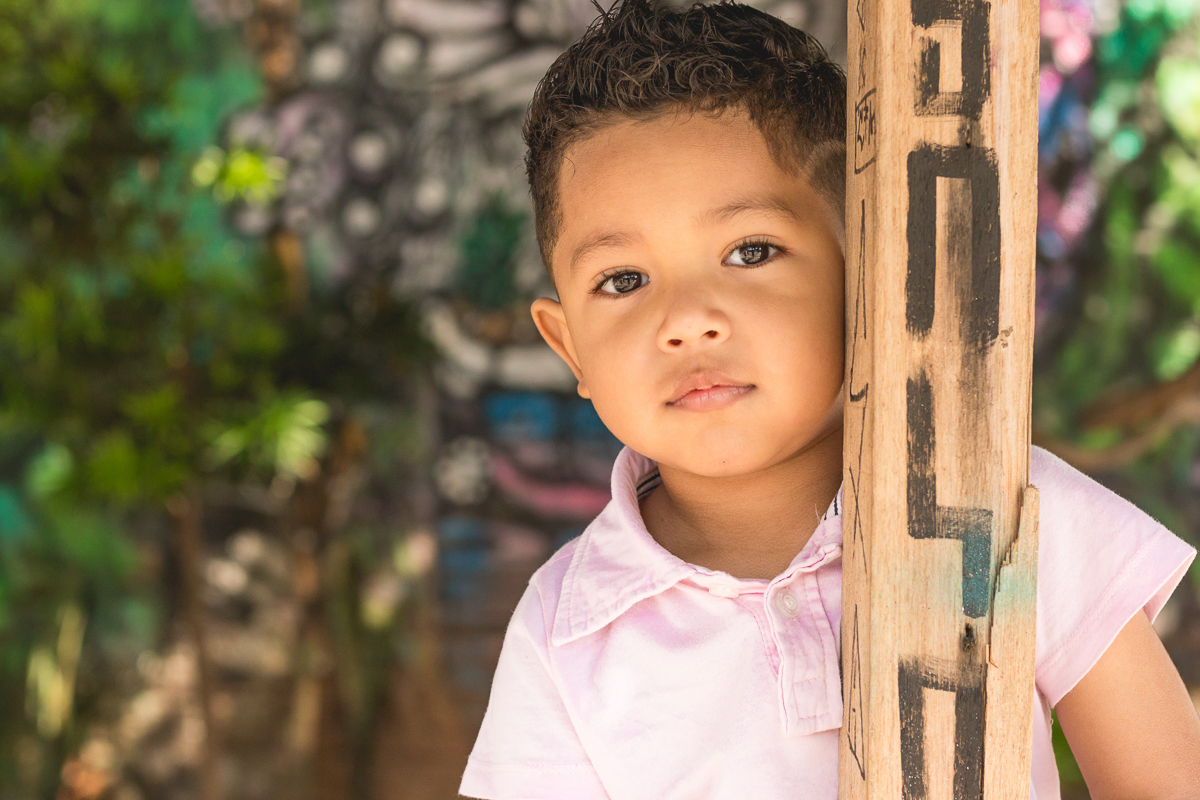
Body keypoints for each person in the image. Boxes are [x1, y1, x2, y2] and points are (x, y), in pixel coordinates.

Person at [458, 1, 1200, 797]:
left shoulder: (1007, 512)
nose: (685, 321)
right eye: (623, 281)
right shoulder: (566, 629)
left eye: (750, 251)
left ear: (865, 275)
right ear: (568, 345)